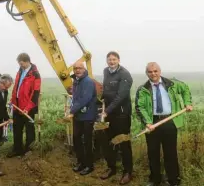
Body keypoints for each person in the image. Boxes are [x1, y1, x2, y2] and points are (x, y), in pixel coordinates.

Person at [135, 62, 193, 186]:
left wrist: (187, 103)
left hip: (170, 121)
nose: (153, 74)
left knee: (170, 152)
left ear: (160, 71)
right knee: (153, 152)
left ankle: (173, 180)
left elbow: (186, 89)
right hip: (152, 123)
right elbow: (140, 107)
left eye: (155, 71)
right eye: (150, 72)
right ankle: (155, 179)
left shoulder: (172, 84)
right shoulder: (142, 89)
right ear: (147, 73)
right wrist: (147, 122)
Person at [100, 51, 134, 185]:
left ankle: (128, 172)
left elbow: (121, 97)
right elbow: (107, 90)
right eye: (109, 60)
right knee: (109, 142)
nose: (111, 62)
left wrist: (106, 111)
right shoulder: (106, 71)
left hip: (121, 114)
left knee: (123, 142)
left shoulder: (125, 75)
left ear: (118, 60)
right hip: (109, 114)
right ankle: (111, 168)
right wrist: (101, 99)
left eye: (114, 60)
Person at [7, 53, 41, 158]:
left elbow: (35, 93)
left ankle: (29, 151)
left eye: (22, 63)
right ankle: (17, 149)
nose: (20, 65)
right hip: (17, 106)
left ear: (27, 61)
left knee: (29, 129)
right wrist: (12, 100)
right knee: (17, 128)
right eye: (19, 64)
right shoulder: (20, 71)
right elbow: (17, 88)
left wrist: (28, 108)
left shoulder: (35, 74)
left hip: (28, 107)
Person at [69, 61, 97, 176]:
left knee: (87, 141)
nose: (77, 70)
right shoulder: (76, 81)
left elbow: (85, 98)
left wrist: (71, 111)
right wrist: (73, 110)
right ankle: (80, 162)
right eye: (75, 68)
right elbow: (75, 98)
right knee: (77, 139)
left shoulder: (88, 82)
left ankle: (89, 166)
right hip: (78, 116)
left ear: (84, 69)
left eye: (80, 68)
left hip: (88, 116)